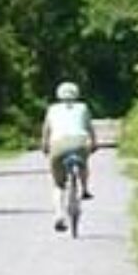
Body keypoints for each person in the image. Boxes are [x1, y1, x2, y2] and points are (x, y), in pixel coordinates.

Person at [41, 80, 97, 231]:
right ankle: (84, 189)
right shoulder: (83, 107)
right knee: (84, 163)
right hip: (79, 143)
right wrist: (94, 143)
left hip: (58, 144)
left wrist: (45, 146)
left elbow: (46, 130)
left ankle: (59, 215)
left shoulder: (52, 109)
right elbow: (90, 128)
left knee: (58, 185)